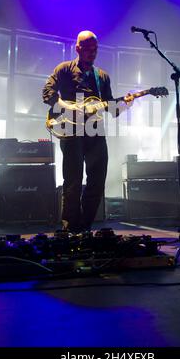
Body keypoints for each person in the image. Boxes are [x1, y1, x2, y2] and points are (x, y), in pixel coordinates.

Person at [42, 30, 133, 233]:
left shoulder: (102, 77)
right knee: (73, 182)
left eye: (95, 49)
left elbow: (110, 107)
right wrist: (67, 106)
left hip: (95, 132)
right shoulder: (64, 69)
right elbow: (47, 93)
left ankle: (84, 228)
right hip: (71, 131)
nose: (93, 53)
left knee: (97, 182)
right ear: (78, 48)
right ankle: (70, 230)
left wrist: (125, 104)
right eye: (88, 49)